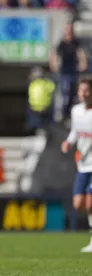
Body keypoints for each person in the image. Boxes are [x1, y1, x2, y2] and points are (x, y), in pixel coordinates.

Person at [61, 78, 92, 253]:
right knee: (78, 204)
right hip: (83, 164)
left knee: (90, 205)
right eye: (81, 91)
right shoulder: (76, 111)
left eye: (86, 90)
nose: (83, 94)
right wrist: (69, 143)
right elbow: (75, 131)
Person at [50, 23, 87, 121]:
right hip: (64, 71)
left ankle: (71, 112)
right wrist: (53, 64)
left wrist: (83, 63)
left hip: (73, 70)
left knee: (73, 92)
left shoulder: (75, 42)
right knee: (65, 92)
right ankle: (64, 113)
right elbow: (54, 53)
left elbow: (80, 52)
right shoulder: (61, 43)